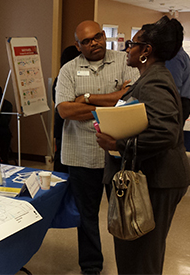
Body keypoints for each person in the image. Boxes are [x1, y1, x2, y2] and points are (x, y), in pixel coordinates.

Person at [96, 16, 190, 275]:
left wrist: (117, 143)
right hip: (153, 178)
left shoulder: (156, 80)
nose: (127, 49)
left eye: (132, 44)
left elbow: (165, 132)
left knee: (140, 256)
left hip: (157, 181)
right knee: (141, 254)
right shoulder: (149, 77)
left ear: (146, 51)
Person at [55, 20, 140, 275]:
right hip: (81, 155)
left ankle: (130, 266)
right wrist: (112, 102)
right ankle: (91, 267)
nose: (95, 43)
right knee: (86, 216)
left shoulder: (125, 61)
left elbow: (132, 99)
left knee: (124, 214)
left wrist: (87, 99)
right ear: (77, 45)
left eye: (99, 37)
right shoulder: (69, 71)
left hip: (117, 153)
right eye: (87, 41)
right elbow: (64, 110)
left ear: (104, 35)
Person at [52, 45, 80, 173]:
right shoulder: (62, 79)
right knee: (62, 161)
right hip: (64, 125)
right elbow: (64, 106)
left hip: (67, 125)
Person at [165, 47, 190, 120]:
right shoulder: (181, 55)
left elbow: (173, 87)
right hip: (181, 102)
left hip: (176, 103)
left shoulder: (174, 57)